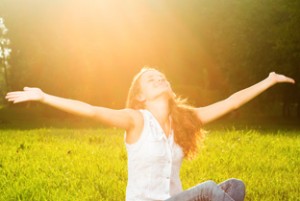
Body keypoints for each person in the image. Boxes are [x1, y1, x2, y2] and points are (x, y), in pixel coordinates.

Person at [5, 67, 295, 201]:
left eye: (162, 77)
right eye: (150, 79)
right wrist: (44, 97)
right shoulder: (135, 120)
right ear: (140, 96)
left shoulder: (185, 120)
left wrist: (268, 81)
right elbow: (92, 110)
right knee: (208, 189)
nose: (159, 79)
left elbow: (231, 101)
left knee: (235, 187)